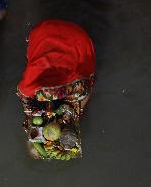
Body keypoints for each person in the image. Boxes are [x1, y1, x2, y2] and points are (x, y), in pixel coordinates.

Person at [17, 19, 95, 160]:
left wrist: (72, 117)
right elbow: (29, 112)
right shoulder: (28, 88)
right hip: (46, 32)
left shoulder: (78, 87)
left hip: (70, 37)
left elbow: (86, 93)